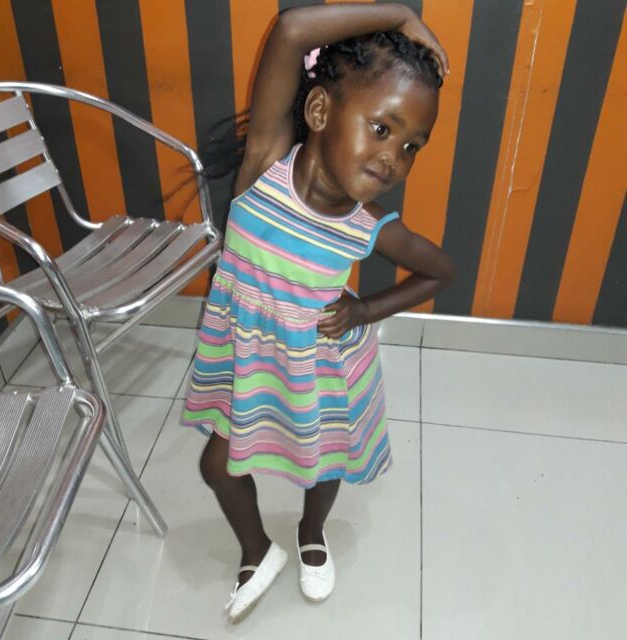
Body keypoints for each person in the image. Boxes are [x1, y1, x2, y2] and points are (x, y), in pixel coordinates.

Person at [183, 2, 455, 623]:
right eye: (381, 128)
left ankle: (311, 532)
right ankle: (258, 550)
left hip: (320, 366)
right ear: (319, 111)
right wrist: (400, 16)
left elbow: (441, 272)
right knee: (217, 465)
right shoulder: (264, 167)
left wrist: (365, 310)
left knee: (323, 461)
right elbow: (291, 30)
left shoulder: (368, 224)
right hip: (252, 357)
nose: (393, 157)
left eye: (411, 145)